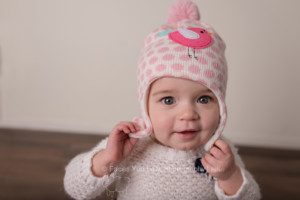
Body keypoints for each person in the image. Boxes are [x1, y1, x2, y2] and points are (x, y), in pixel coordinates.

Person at [64, 0, 261, 199]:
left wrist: (229, 176)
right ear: (145, 104)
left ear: (220, 104)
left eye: (203, 99)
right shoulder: (130, 147)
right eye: (168, 100)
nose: (188, 115)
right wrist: (107, 158)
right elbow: (75, 187)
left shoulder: (220, 154)